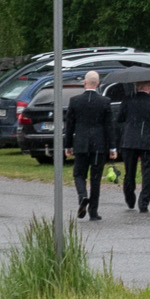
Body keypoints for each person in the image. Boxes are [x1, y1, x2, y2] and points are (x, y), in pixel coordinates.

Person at [64, 72, 113, 221]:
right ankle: (93, 211)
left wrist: (68, 145)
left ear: (85, 83)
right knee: (95, 178)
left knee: (79, 174)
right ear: (97, 84)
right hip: (98, 144)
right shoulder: (105, 102)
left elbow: (69, 126)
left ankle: (82, 196)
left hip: (81, 143)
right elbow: (109, 126)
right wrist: (112, 148)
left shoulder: (75, 101)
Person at [115, 78, 150, 214]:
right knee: (147, 172)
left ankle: (130, 198)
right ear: (149, 88)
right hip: (148, 141)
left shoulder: (127, 100)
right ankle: (144, 202)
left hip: (130, 140)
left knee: (129, 171)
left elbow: (120, 119)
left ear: (137, 87)